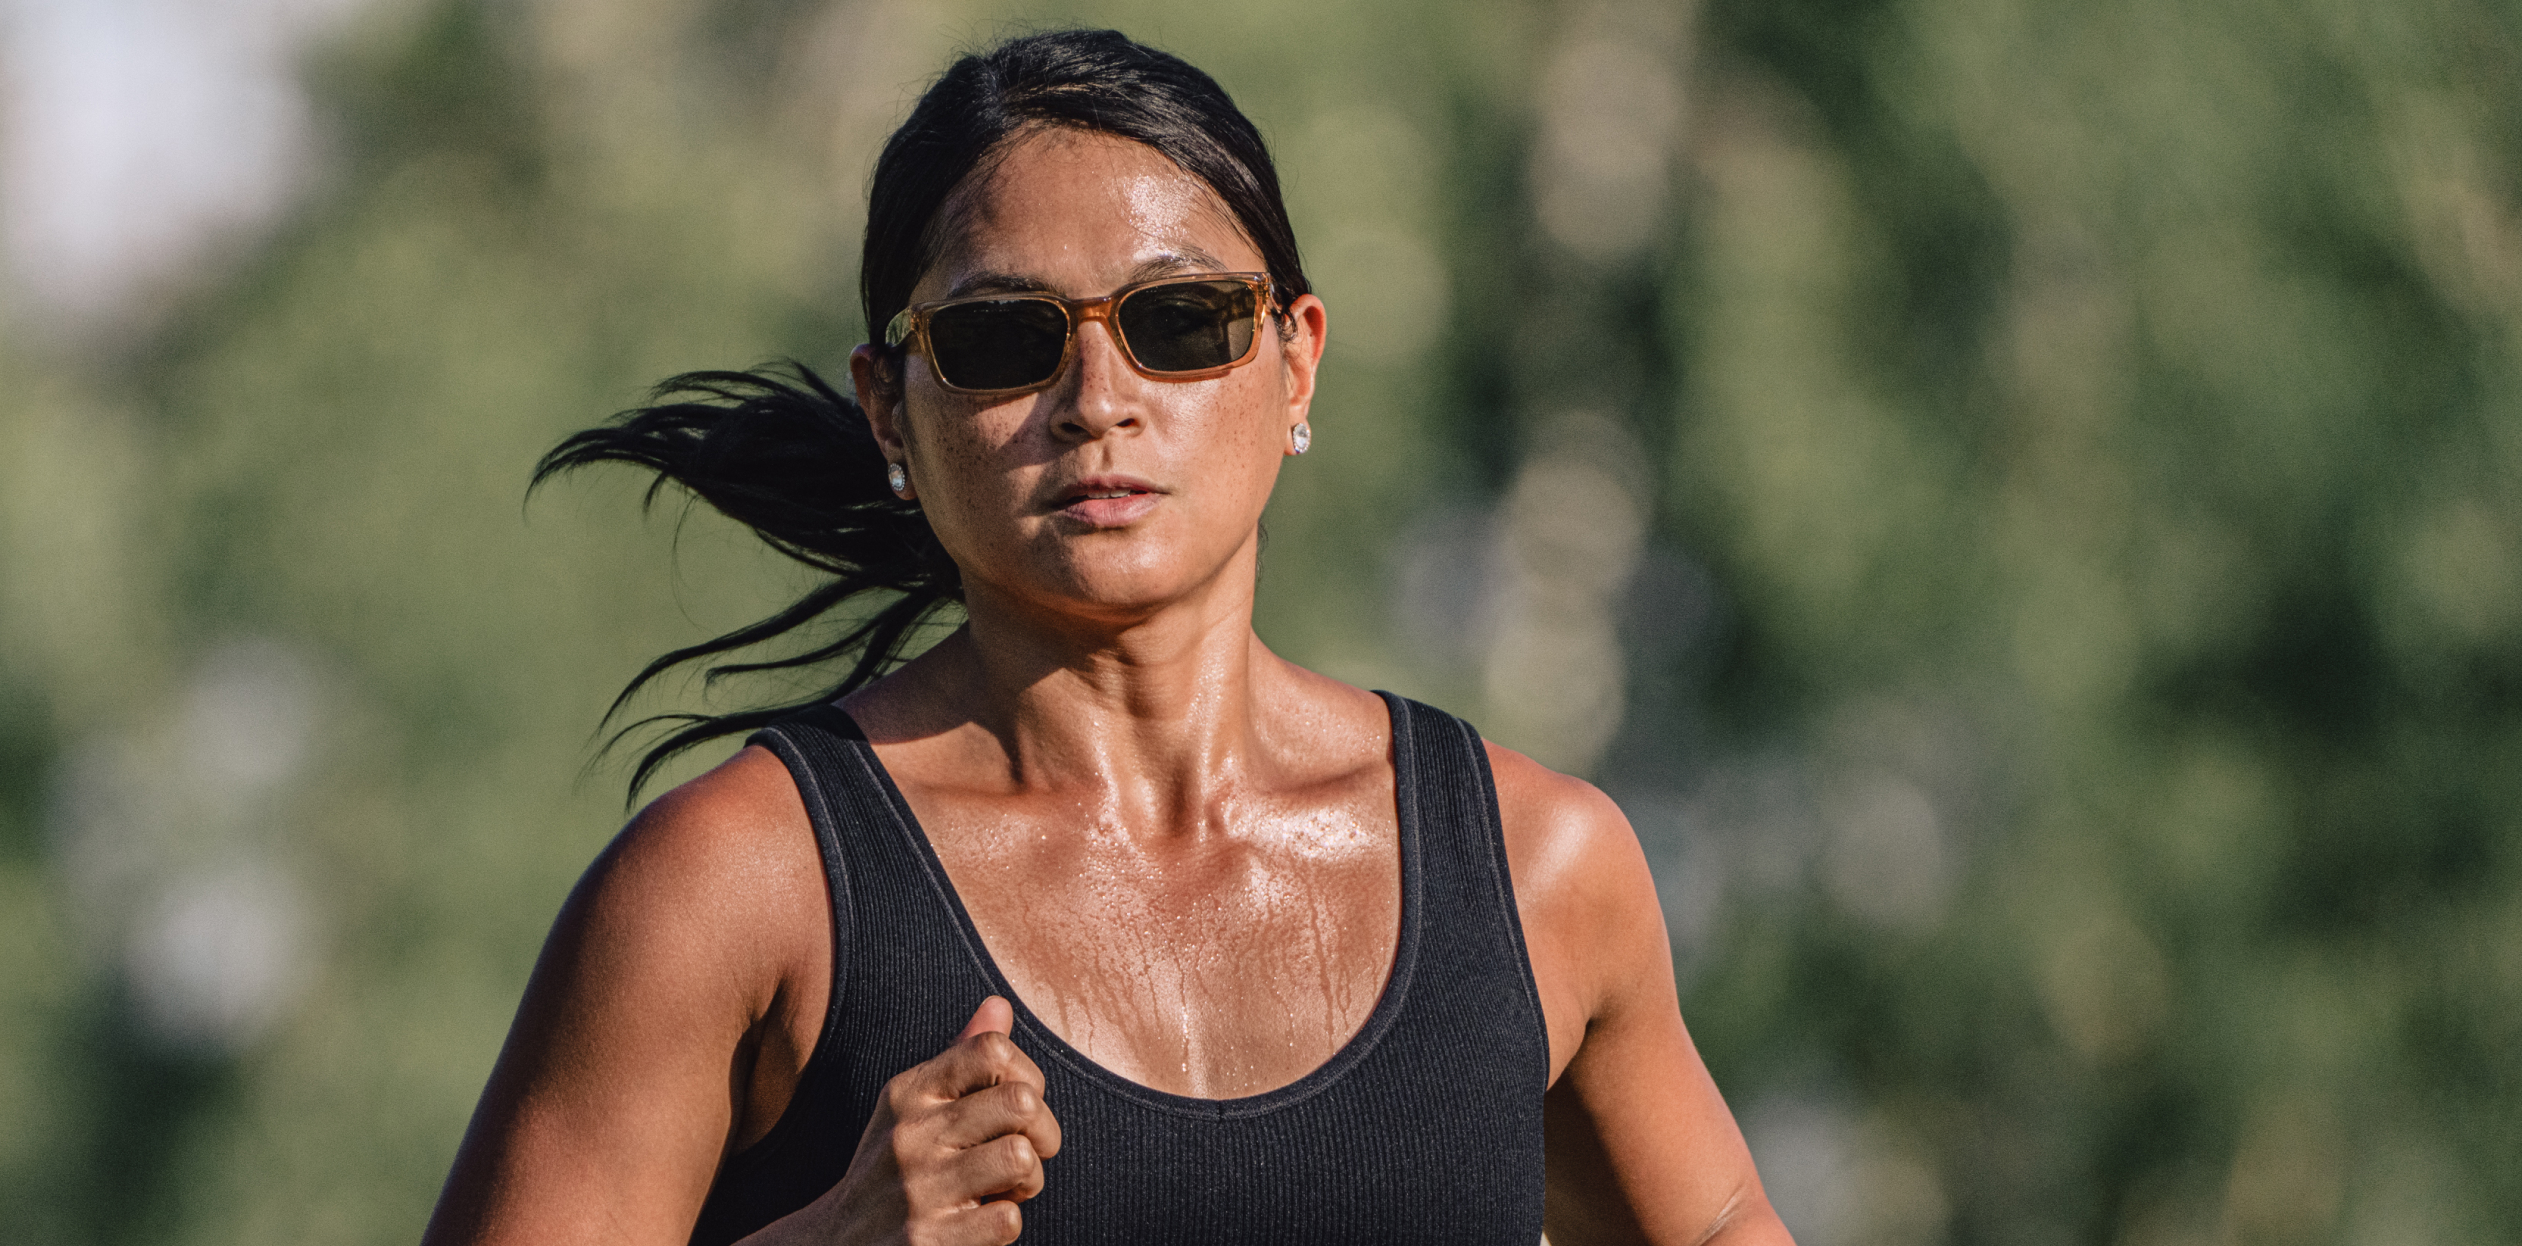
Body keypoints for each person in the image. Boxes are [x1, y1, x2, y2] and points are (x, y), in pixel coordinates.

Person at [424, 29, 1790, 1246]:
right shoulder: (733, 888)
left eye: (1179, 322)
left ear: (1297, 358)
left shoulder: (1541, 868)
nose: (1098, 397)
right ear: (892, 410)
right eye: (1003, 339)